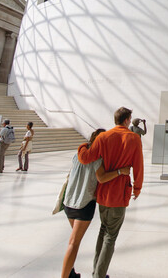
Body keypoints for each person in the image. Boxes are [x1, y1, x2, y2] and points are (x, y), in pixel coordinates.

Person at [77, 107, 144, 278]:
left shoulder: (103, 137)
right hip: (119, 194)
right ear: (127, 120)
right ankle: (99, 275)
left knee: (103, 230)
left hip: (103, 193)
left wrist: (83, 144)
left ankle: (96, 271)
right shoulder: (134, 138)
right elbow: (138, 166)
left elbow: (86, 157)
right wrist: (137, 187)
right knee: (111, 236)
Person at [61, 129, 133, 278]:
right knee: (73, 243)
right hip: (83, 205)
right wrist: (121, 172)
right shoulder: (97, 158)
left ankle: (71, 273)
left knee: (73, 241)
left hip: (69, 202)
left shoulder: (78, 155)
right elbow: (101, 178)